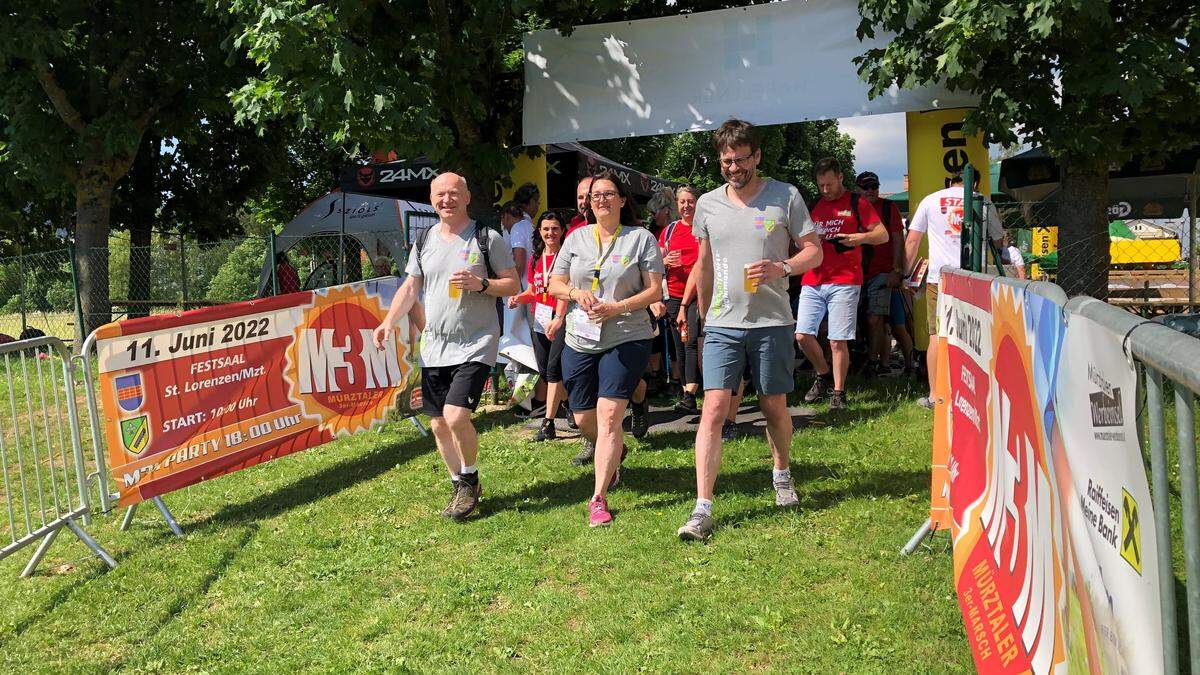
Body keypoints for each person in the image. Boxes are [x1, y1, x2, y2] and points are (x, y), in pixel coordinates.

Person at [677, 119, 822, 542]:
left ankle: (781, 473)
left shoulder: (786, 195)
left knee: (774, 406)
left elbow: (814, 250)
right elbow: (703, 263)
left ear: (757, 156)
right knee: (714, 409)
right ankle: (703, 507)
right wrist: (701, 315)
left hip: (772, 323)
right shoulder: (706, 204)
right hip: (722, 324)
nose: (734, 168)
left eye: (741, 159)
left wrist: (784, 267)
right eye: (727, 161)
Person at [372, 172, 520, 520]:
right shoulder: (424, 240)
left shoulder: (488, 238)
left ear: (467, 197)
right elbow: (411, 287)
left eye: (454, 193)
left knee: (455, 416)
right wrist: (387, 323)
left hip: (476, 342)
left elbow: (512, 284)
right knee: (438, 423)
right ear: (432, 198)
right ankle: (459, 484)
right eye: (440, 194)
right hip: (435, 345)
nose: (446, 200)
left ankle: (470, 477)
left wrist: (481, 284)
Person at [548, 170, 665, 528]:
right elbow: (555, 282)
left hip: (627, 335)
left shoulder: (640, 239)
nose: (600, 200)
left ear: (622, 199)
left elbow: (655, 291)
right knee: (584, 418)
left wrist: (618, 307)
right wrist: (574, 293)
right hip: (580, 338)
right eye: (595, 195)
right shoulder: (575, 238)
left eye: (608, 194)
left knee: (610, 415)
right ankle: (614, 452)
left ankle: (598, 497)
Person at [904, 171, 1004, 409]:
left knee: (936, 335)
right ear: (975, 183)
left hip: (940, 278)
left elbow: (912, 240)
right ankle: (974, 394)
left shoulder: (930, 200)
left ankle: (935, 395)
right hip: (973, 277)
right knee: (974, 336)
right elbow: (998, 240)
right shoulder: (982, 200)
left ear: (949, 182)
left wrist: (906, 274)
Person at [795, 159, 887, 411]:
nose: (825, 190)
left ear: (840, 177)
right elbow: (800, 240)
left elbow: (883, 234)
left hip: (845, 279)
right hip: (813, 278)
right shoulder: (813, 205)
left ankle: (838, 392)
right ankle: (823, 375)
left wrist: (859, 238)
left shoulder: (858, 202)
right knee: (802, 334)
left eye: (829, 184)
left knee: (837, 340)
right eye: (820, 185)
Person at [509, 211, 569, 441]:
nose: (550, 233)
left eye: (554, 228)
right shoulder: (537, 258)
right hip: (540, 320)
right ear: (540, 232)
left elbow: (565, 290)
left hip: (559, 318)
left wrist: (560, 317)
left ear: (562, 230)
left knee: (554, 371)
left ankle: (548, 423)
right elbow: (534, 291)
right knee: (545, 371)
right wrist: (518, 299)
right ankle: (570, 405)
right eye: (546, 229)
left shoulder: (566, 257)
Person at [855, 171, 913, 376]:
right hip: (856, 272)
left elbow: (898, 239)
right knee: (864, 320)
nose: (871, 190)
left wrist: (896, 270)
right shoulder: (852, 207)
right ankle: (868, 360)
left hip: (883, 272)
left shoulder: (888, 207)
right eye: (866, 187)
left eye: (875, 186)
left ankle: (876, 363)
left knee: (879, 320)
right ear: (858, 189)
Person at [661, 186, 703, 414]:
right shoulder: (669, 231)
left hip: (698, 296)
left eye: (690, 201)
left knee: (691, 342)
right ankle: (688, 393)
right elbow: (656, 261)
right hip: (673, 295)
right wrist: (666, 260)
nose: (686, 206)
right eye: (682, 202)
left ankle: (690, 394)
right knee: (680, 345)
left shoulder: (703, 230)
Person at [500, 200, 533, 286]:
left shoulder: (516, 228)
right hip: (529, 285)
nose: (503, 224)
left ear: (506, 216)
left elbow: (519, 257)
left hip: (521, 287)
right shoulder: (530, 226)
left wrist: (512, 284)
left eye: (502, 219)